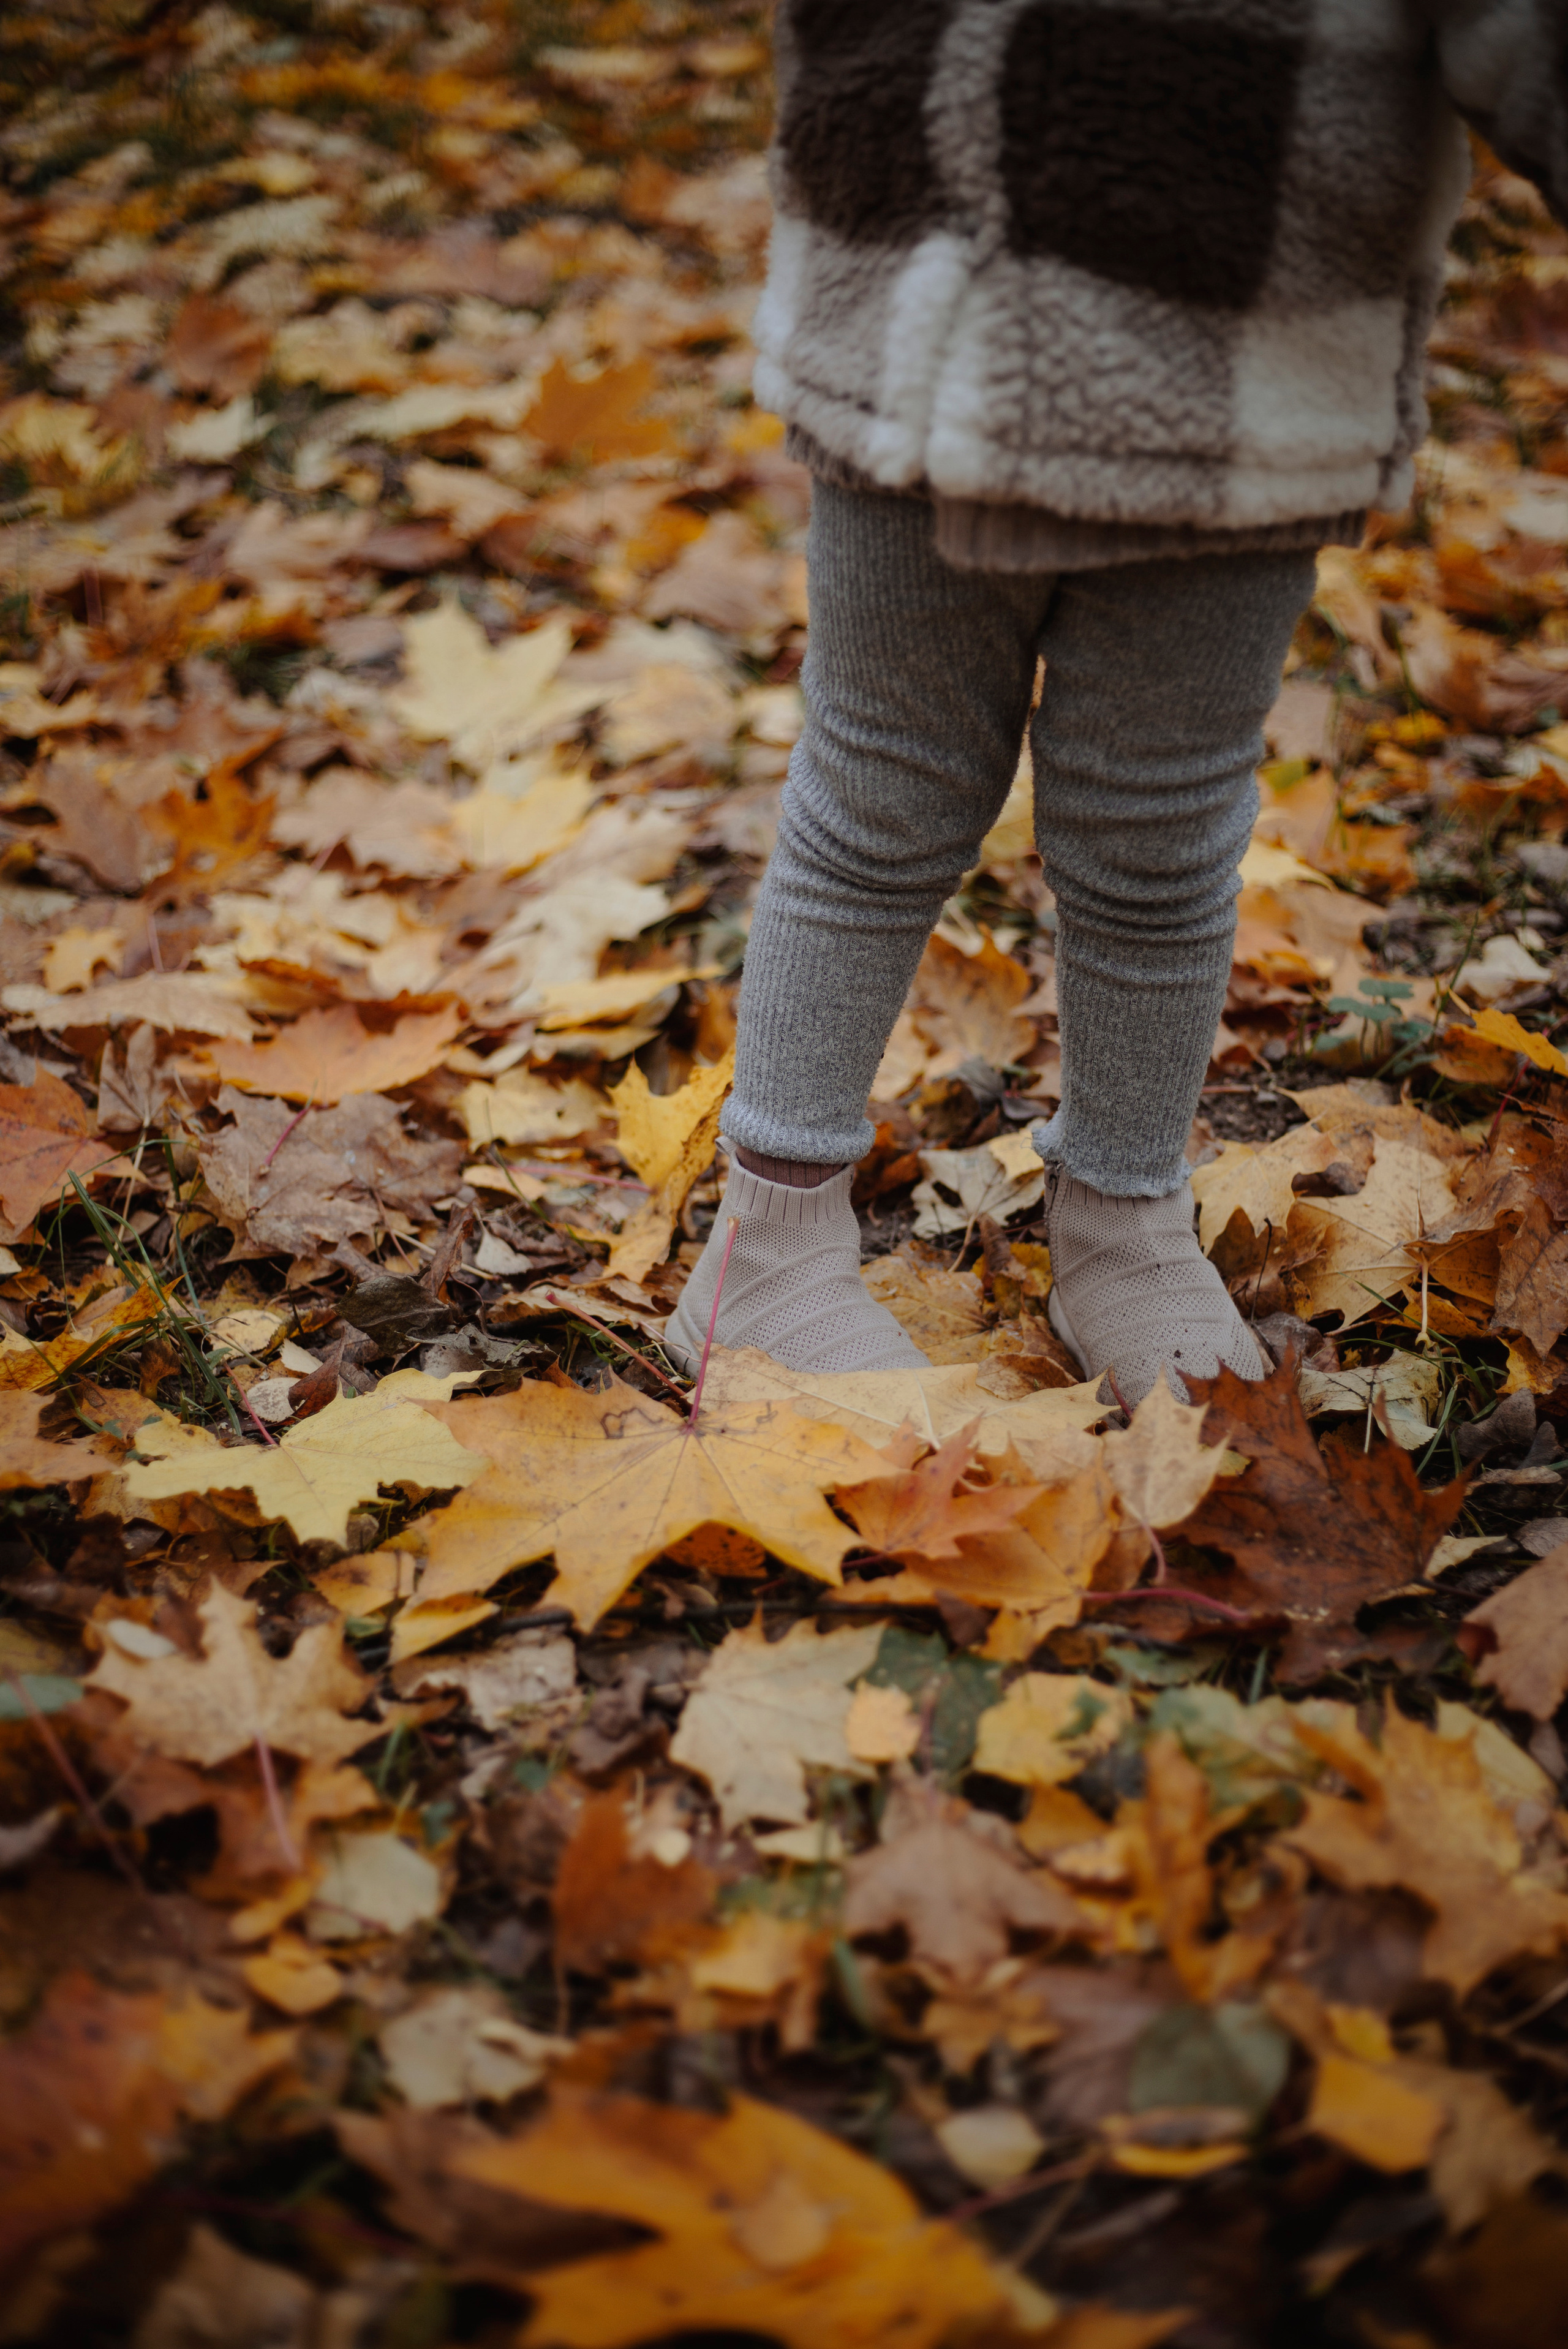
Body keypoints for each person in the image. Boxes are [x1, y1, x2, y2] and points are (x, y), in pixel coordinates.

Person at [666, 0, 1568, 1403]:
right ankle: (764, 1246)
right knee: (880, 788)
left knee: (1158, 826)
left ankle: (1119, 1220)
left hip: (1247, 326)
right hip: (927, 287)